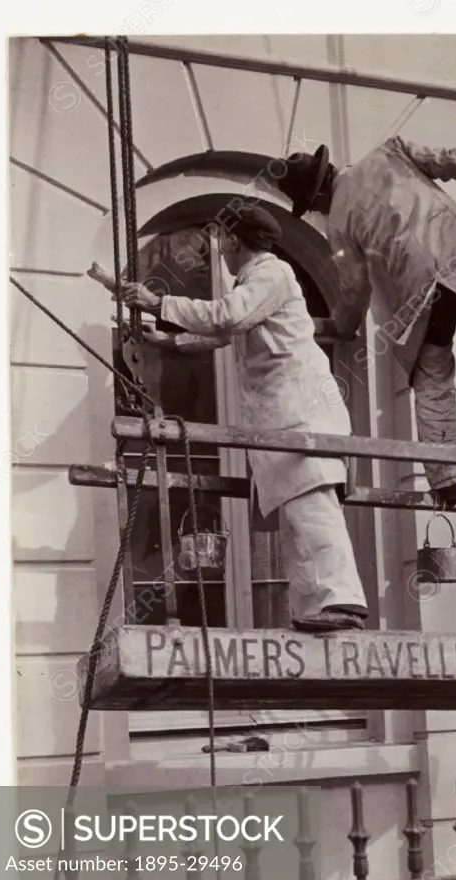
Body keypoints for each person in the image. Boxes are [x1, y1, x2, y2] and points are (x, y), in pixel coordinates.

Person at [119, 204, 369, 633]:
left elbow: (227, 316)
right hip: (284, 419)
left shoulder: (273, 275)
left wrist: (158, 302)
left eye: (222, 245)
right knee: (297, 518)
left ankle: (342, 600)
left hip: (300, 416)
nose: (221, 256)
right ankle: (314, 610)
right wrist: (173, 342)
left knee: (312, 509)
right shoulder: (262, 282)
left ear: (233, 241)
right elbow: (224, 332)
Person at [274, 138, 456, 508]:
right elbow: (453, 158)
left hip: (417, 285)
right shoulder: (389, 153)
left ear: (316, 197)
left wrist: (341, 328)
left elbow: (354, 290)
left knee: (432, 371)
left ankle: (446, 475)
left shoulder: (339, 223)